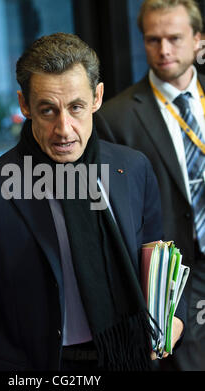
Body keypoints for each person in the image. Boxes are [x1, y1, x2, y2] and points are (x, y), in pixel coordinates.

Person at [0, 33, 185, 371]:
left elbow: (160, 263)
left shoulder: (134, 168)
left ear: (97, 98)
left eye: (76, 107)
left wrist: (175, 318)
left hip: (127, 360)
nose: (64, 129)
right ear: (25, 105)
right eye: (47, 110)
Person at [95, 0, 205, 371]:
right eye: (152, 39)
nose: (164, 50)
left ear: (198, 39)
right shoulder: (115, 117)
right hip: (175, 275)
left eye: (174, 38)